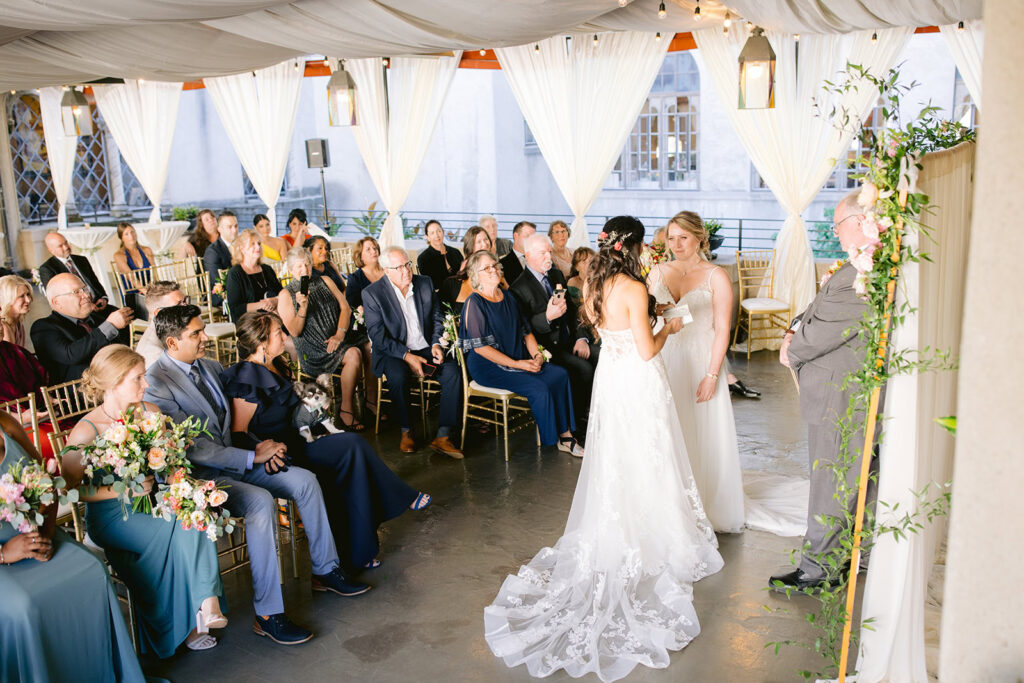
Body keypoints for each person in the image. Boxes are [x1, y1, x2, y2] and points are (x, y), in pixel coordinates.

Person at [485, 217, 723, 682]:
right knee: (649, 456)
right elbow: (647, 351)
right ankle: (655, 528)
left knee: (618, 458)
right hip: (637, 382)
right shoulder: (633, 287)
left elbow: (604, 333)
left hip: (611, 384)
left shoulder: (595, 283)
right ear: (633, 246)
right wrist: (669, 327)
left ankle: (626, 519)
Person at [144, 304, 367, 646]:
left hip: (239, 460)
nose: (206, 337)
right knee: (261, 503)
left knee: (305, 480)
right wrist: (251, 456)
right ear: (172, 343)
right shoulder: (157, 384)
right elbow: (192, 448)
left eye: (202, 329)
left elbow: (236, 421)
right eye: (196, 334)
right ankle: (268, 614)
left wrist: (264, 446)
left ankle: (326, 569)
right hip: (200, 479)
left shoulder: (210, 366)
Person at [222, 310, 430, 572]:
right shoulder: (247, 376)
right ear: (262, 342)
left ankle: (358, 552)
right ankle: (398, 499)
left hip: (300, 439)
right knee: (352, 447)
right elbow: (239, 433)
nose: (285, 337)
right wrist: (263, 452)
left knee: (351, 459)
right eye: (279, 333)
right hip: (282, 454)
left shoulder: (276, 364)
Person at [62, 345, 226, 655]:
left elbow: (173, 465)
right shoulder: (86, 431)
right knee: (184, 526)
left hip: (152, 504)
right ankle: (202, 610)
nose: (147, 384)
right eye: (138, 378)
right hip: (111, 517)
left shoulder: (151, 414)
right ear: (114, 383)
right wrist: (122, 491)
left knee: (195, 513)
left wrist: (187, 488)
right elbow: (70, 491)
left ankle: (202, 609)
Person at [771, 190, 875, 593]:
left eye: (837, 225)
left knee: (831, 482)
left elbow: (818, 336)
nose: (835, 232)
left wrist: (791, 345)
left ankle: (818, 571)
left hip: (839, 397)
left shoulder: (861, 277)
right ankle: (855, 554)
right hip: (841, 392)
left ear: (859, 222)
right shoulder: (857, 268)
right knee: (855, 478)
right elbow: (816, 309)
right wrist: (795, 325)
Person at [0, 410, 147, 682]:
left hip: (38, 533)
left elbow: (48, 482)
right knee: (25, 605)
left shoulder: (6, 423)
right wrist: (5, 553)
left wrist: (45, 530)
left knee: (92, 570)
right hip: (4, 558)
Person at [649, 211, 745, 532]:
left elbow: (721, 330)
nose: (676, 244)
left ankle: (704, 502)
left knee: (702, 431)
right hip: (666, 357)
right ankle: (669, 501)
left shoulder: (715, 276)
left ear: (699, 238)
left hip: (702, 360)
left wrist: (712, 374)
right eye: (671, 237)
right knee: (668, 429)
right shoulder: (658, 272)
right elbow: (650, 315)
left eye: (683, 238)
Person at [459, 250, 582, 456]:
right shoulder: (475, 302)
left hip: (517, 356)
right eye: (486, 268)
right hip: (488, 365)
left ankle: (566, 434)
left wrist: (536, 356)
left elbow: (526, 332)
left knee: (559, 374)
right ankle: (555, 438)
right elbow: (481, 348)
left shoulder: (508, 296)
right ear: (475, 274)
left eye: (495, 265)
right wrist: (519, 364)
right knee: (538, 386)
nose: (493, 270)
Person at [362, 247, 464, 457]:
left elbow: (437, 317)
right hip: (393, 351)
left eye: (407, 264)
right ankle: (406, 431)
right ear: (386, 270)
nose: (406, 271)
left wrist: (437, 343)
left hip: (425, 347)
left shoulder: (424, 283)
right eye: (398, 267)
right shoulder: (372, 293)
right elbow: (378, 336)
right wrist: (407, 356)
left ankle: (443, 436)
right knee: (398, 376)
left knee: (453, 372)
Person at [509, 233, 597, 424]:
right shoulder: (518, 288)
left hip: (571, 339)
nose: (549, 257)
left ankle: (599, 410)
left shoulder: (556, 275)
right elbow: (523, 329)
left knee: (602, 355)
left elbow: (573, 311)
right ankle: (581, 419)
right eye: (543, 253)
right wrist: (547, 317)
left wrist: (581, 338)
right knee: (584, 369)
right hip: (548, 348)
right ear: (528, 255)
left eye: (549, 252)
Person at [278, 247, 364, 430]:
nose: (304, 269)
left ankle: (347, 407)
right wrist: (302, 307)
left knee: (361, 348)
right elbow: (294, 331)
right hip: (311, 346)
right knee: (354, 354)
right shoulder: (286, 294)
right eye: (299, 266)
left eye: (307, 264)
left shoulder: (324, 280)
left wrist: (339, 334)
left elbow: (346, 308)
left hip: (337, 337)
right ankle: (346, 411)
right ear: (291, 269)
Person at [30, 273, 133, 383]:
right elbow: (71, 355)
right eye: (76, 292)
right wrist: (110, 326)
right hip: (77, 394)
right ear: (57, 302)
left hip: (118, 380)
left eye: (85, 289)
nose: (86, 295)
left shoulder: (98, 318)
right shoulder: (43, 327)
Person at [343, 236, 383, 421]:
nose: (374, 251)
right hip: (363, 329)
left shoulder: (387, 271)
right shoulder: (356, 278)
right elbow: (352, 306)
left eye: (375, 247)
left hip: (390, 323)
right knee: (371, 349)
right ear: (360, 255)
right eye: (368, 249)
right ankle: (371, 402)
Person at [38, 231, 110, 323]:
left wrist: (103, 298)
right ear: (51, 250)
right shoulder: (47, 269)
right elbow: (58, 298)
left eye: (66, 243)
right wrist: (87, 305)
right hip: (78, 313)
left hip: (98, 305)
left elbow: (94, 282)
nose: (66, 247)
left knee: (125, 316)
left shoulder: (81, 260)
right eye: (60, 246)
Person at [224, 229, 281, 323]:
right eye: (252, 244)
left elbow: (282, 294)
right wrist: (262, 305)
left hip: (272, 317)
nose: (257, 247)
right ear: (242, 248)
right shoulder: (235, 273)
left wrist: (275, 300)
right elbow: (236, 309)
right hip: (249, 322)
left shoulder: (267, 269)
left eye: (259, 243)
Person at [439, 225, 493, 315]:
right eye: (479, 241)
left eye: (486, 239)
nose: (484, 244)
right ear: (471, 246)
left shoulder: (495, 274)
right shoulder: (451, 283)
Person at [135, 281, 186, 368]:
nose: (186, 307)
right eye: (178, 305)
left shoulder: (171, 331)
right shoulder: (155, 355)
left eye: (185, 301)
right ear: (158, 313)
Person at [113, 222, 155, 321]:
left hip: (149, 289)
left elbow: (154, 273)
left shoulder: (147, 250)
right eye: (126, 234)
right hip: (133, 294)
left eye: (132, 232)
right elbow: (132, 279)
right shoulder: (119, 255)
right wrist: (147, 293)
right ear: (121, 237)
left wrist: (150, 289)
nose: (131, 236)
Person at [416, 219, 464, 291]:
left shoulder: (455, 252)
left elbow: (464, 274)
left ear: (443, 232)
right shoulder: (423, 258)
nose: (437, 235)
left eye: (439, 231)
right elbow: (431, 284)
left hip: (460, 291)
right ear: (427, 237)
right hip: (439, 295)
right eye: (432, 233)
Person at [203, 210, 238, 307]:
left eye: (236, 226)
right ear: (219, 229)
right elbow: (216, 280)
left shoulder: (242, 245)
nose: (234, 230)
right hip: (222, 294)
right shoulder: (212, 251)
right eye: (229, 227)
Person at [0, 274, 33, 346]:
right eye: (21, 296)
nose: (28, 300)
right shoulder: (3, 327)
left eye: (28, 294)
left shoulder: (18, 323)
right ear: (7, 299)